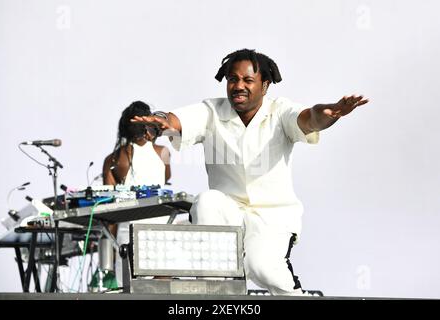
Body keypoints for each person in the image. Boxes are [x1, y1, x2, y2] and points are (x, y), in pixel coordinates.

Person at [131, 49, 369, 295]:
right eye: (233, 79)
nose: (238, 86)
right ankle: (222, 293)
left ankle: (295, 294)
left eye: (247, 80)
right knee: (207, 201)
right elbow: (176, 119)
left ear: (265, 86)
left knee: (261, 267)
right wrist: (159, 120)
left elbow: (309, 118)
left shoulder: (280, 111)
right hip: (229, 212)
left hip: (272, 216)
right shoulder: (212, 111)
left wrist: (330, 113)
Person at [102, 100, 171, 286]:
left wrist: (111, 248)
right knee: (161, 291)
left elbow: (109, 211)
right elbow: (166, 179)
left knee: (129, 291)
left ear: (124, 128)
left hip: (129, 235)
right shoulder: (163, 153)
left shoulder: (114, 159)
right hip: (162, 235)